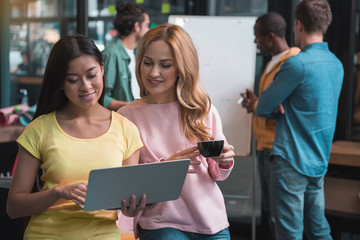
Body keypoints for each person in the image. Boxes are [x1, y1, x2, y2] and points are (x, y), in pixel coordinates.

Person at [6, 35, 147, 239]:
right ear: (60, 83)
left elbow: (126, 205)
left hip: (101, 234)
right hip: (47, 234)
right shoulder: (39, 129)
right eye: (73, 80)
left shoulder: (126, 130)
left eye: (92, 75)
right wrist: (57, 192)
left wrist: (132, 209)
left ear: (102, 69)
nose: (86, 86)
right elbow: (14, 207)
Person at [117, 23, 235, 240]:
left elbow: (217, 174)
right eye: (148, 63)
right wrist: (167, 170)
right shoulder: (127, 116)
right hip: (161, 223)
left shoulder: (202, 110)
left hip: (211, 222)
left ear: (182, 67)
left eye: (165, 65)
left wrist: (224, 160)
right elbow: (128, 188)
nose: (153, 73)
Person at [256, 1, 344, 239]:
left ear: (298, 25)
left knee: (289, 233)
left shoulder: (297, 63)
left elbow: (262, 106)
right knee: (318, 229)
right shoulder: (337, 65)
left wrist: (278, 106)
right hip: (319, 160)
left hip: (290, 161)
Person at [241, 12, 300, 240]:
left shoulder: (292, 63)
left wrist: (260, 104)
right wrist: (257, 102)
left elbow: (279, 108)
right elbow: (268, 103)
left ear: (271, 36)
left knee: (279, 212)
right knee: (271, 209)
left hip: (278, 146)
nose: (256, 42)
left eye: (258, 37)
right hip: (265, 144)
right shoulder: (272, 63)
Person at [102, 2, 150, 111]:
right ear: (136, 26)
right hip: (121, 121)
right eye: (147, 25)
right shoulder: (111, 54)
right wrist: (130, 106)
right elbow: (101, 97)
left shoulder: (138, 53)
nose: (148, 30)